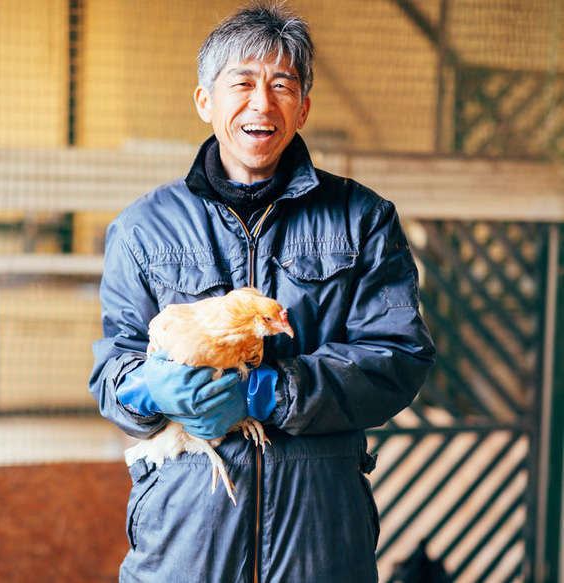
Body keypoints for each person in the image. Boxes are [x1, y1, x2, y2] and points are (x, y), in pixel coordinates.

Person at [89, 2, 436, 582]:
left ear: (303, 107)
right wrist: (147, 389)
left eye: (282, 85)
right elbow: (111, 370)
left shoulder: (364, 219)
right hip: (183, 544)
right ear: (206, 101)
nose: (261, 103)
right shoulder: (143, 228)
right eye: (242, 83)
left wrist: (269, 393)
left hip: (319, 545)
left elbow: (398, 358)